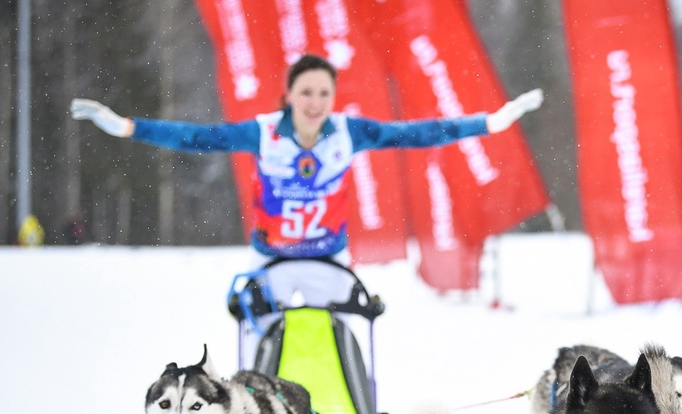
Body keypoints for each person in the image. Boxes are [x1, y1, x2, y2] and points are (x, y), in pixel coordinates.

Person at [71, 54, 542, 263]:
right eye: (305, 92)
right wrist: (129, 126)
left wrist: (489, 122)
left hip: (329, 255)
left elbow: (416, 133)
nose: (315, 102)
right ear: (289, 95)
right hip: (271, 254)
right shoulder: (263, 133)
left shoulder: (347, 131)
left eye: (323, 93)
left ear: (333, 96)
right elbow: (198, 137)